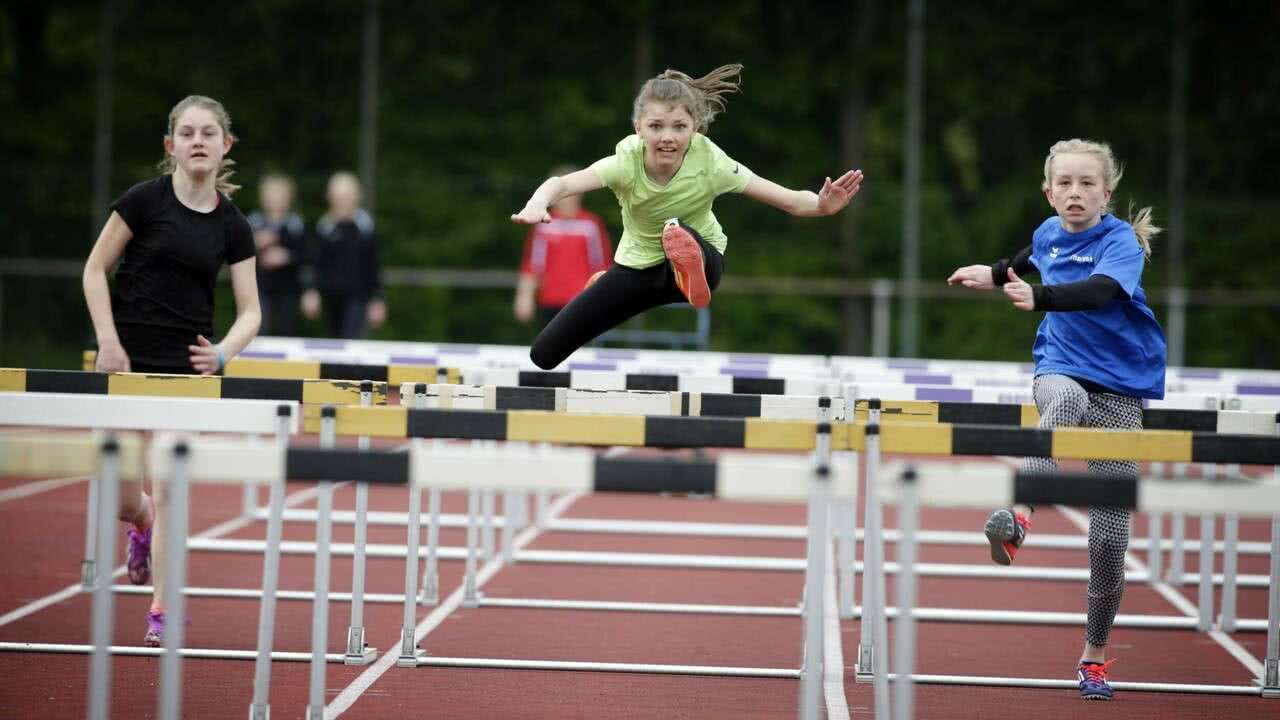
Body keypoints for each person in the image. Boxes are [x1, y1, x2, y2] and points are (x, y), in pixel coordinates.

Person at [947, 138, 1166, 701]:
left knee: (1110, 541)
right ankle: (1020, 512)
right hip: (1061, 368)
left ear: (1106, 194)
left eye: (1086, 184)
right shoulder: (1048, 232)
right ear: (1049, 193)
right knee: (1062, 404)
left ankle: (1094, 657)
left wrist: (1037, 296)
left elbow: (1097, 293)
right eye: (1064, 184)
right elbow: (1022, 261)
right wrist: (990, 273)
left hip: (1121, 386)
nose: (1075, 193)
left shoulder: (1120, 242)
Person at [511, 64, 863, 369]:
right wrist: (537, 203)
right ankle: (610, 283)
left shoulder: (711, 163)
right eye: (656, 126)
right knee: (543, 355)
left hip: (702, 264)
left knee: (679, 232)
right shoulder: (624, 163)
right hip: (636, 271)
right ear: (639, 128)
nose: (667, 137)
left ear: (695, 127)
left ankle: (688, 268)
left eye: (679, 127)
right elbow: (563, 183)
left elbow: (786, 200)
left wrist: (820, 205)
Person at [82, 94, 260, 646]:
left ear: (225, 145)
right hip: (126, 364)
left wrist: (225, 353)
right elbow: (93, 271)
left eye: (209, 132)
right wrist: (107, 342)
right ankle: (141, 523)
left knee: (171, 482)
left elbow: (251, 310)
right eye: (187, 133)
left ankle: (162, 608)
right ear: (171, 146)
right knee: (121, 495)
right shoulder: (142, 201)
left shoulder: (233, 225)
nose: (198, 141)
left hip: (187, 373)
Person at [514, 165, 613, 329]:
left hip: (583, 302)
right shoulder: (543, 224)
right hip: (550, 301)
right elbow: (532, 266)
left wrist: (605, 300)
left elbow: (602, 266)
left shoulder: (591, 225)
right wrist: (524, 297)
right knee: (549, 350)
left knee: (582, 351)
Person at [302, 172, 386, 338]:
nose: (342, 201)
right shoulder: (324, 227)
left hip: (358, 298)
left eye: (347, 196)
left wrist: (378, 300)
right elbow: (315, 263)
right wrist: (311, 291)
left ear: (357, 196)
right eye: (338, 196)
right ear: (329, 197)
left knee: (350, 340)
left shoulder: (366, 227)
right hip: (330, 299)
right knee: (333, 342)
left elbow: (374, 266)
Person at [247, 173, 308, 336]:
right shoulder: (253, 222)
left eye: (280, 195)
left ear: (289, 198)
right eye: (271, 195)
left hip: (289, 292)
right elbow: (236, 255)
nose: (275, 200)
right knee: (258, 330)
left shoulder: (296, 225)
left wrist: (287, 257)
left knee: (286, 332)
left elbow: (307, 257)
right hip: (259, 290)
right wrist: (255, 245)